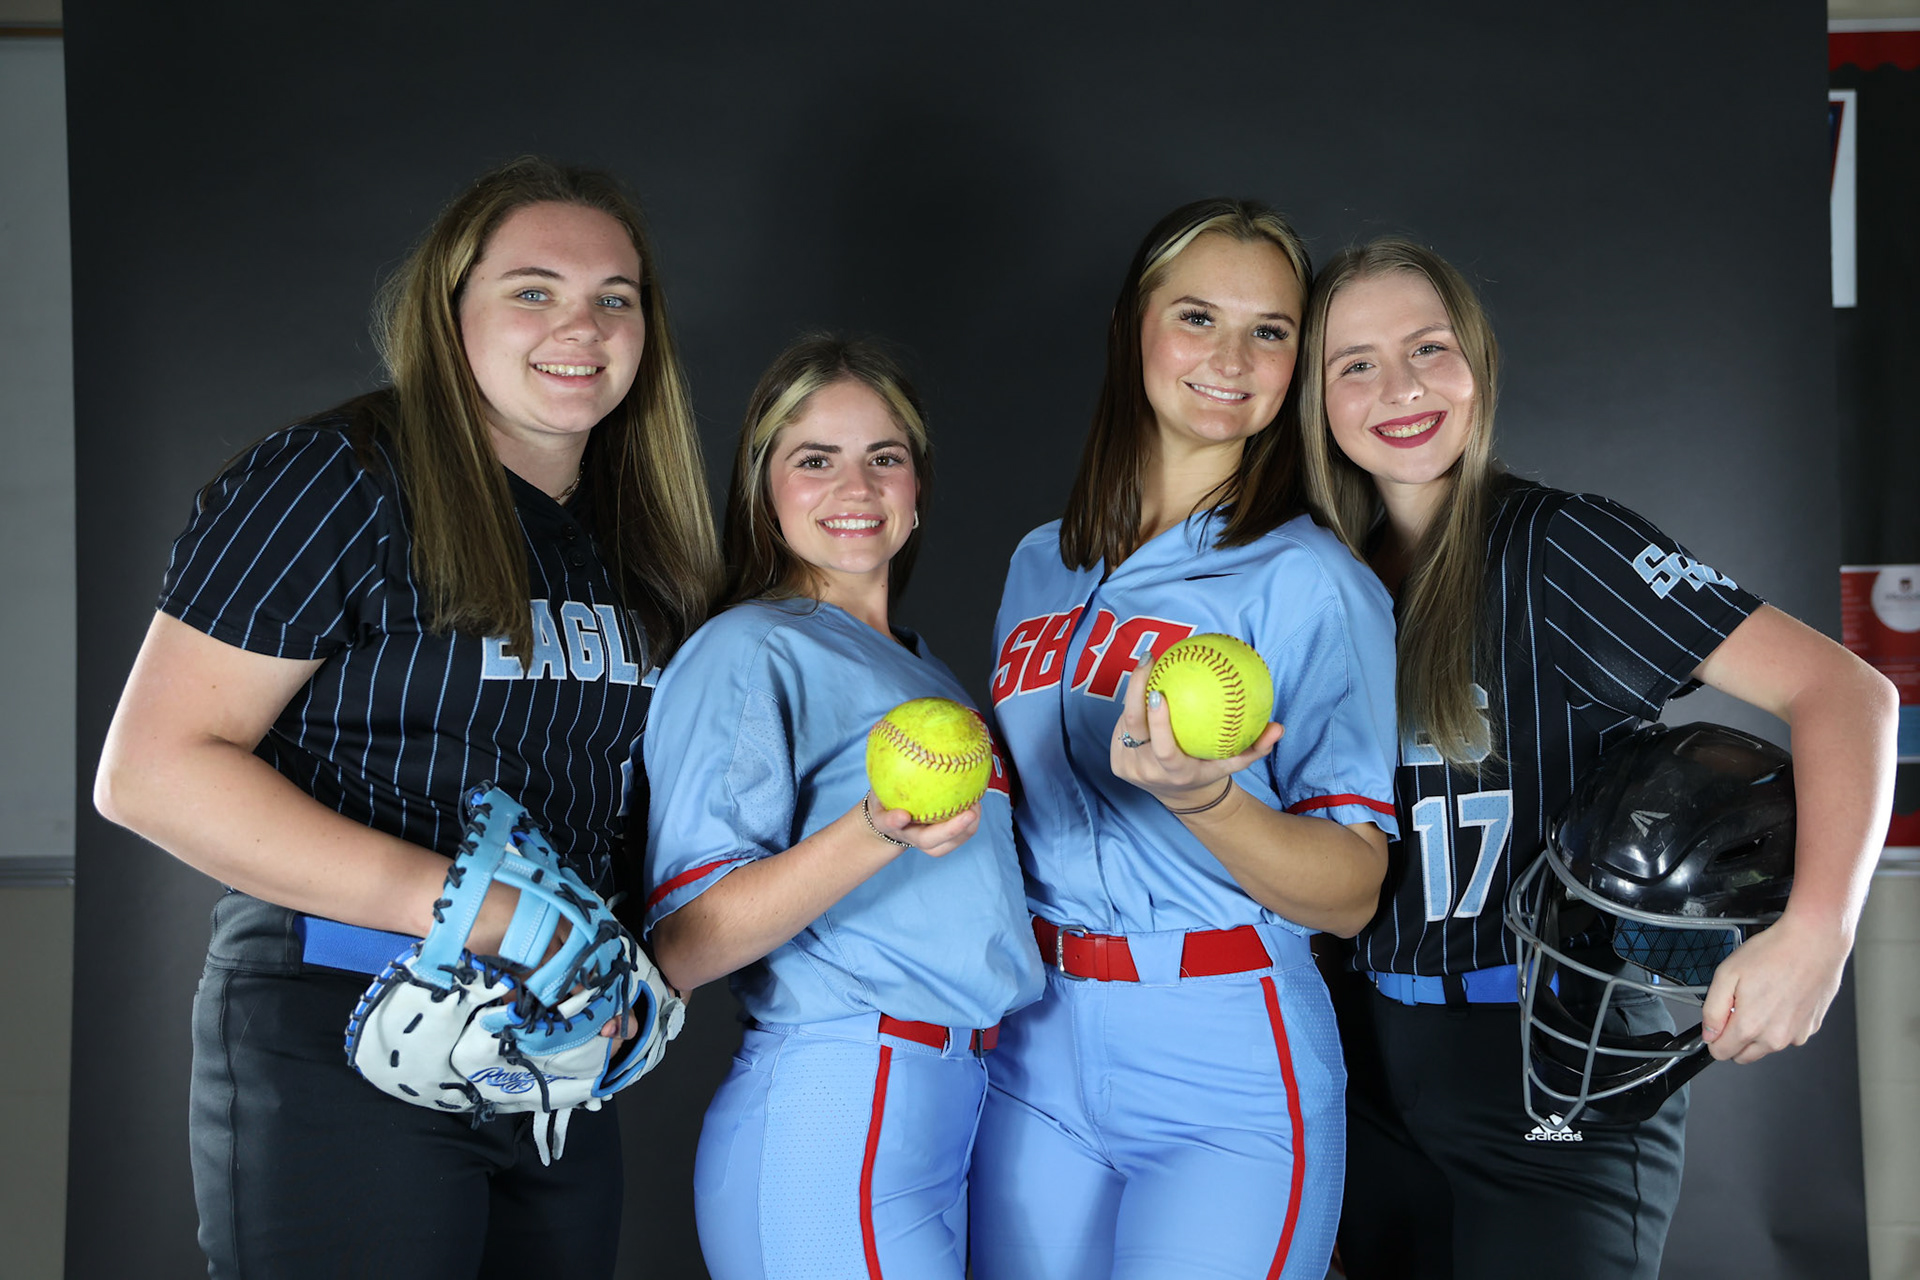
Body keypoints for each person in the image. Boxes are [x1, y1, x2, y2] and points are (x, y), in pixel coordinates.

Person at [92, 157, 720, 1278]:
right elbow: (153, 769)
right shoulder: (338, 478)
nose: (581, 324)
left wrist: (634, 968)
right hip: (344, 1023)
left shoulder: (637, 543)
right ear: (449, 310)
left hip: (550, 1051)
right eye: (533, 289)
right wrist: (472, 908)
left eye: (614, 298)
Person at [1298, 237, 1897, 1279]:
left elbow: (1846, 689)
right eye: (1355, 362)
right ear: (1316, 397)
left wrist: (1818, 929)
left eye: (1428, 348)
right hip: (1363, 1062)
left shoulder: (1563, 543)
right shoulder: (1313, 575)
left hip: (1550, 1058)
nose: (1399, 386)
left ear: (1477, 363)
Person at [969, 199, 1400, 1280]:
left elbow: (1351, 887)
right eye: (1197, 316)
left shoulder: (1311, 578)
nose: (1230, 357)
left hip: (1225, 1040)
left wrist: (1206, 798)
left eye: (1270, 329)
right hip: (1038, 1039)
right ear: (1132, 330)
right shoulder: (1040, 562)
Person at [642, 335, 1043, 1280]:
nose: (854, 487)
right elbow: (685, 946)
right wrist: (873, 832)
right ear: (763, 486)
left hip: (964, 1094)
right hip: (842, 1096)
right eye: (814, 459)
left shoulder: (925, 669)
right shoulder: (748, 650)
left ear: (917, 489)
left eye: (884, 458)